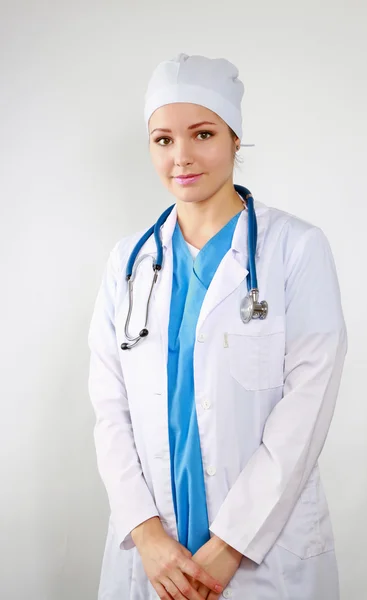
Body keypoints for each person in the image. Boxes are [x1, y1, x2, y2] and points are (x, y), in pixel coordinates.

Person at [88, 53, 348, 600]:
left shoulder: (294, 250)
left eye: (202, 133)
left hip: (261, 559)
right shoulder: (128, 264)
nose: (180, 157)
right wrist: (147, 535)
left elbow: (306, 411)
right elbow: (109, 411)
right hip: (154, 557)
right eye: (163, 140)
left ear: (234, 140)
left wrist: (229, 546)